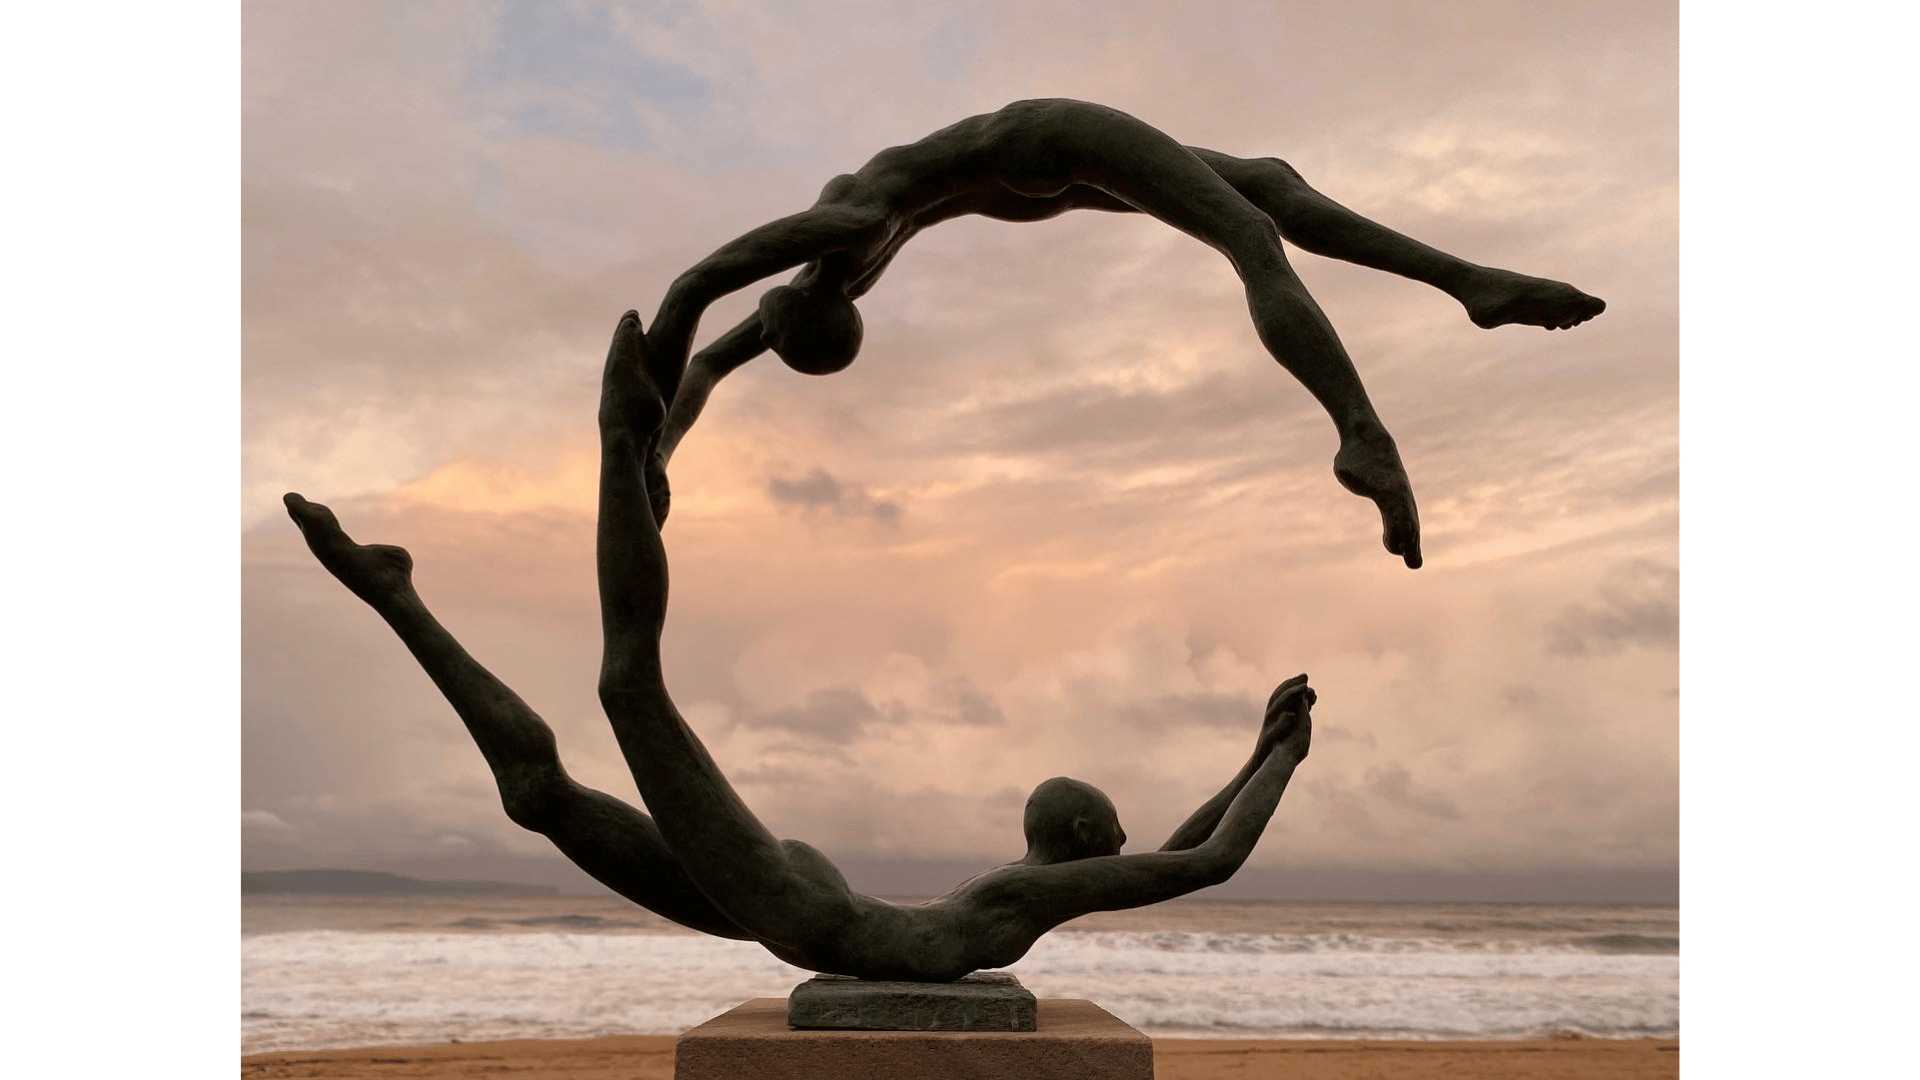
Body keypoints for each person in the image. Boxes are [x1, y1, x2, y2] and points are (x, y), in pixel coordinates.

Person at [282, 310, 1316, 981]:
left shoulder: (1021, 886)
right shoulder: (1022, 893)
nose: (1129, 839)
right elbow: (1206, 861)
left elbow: (1182, 854)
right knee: (629, 685)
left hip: (798, 908)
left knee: (539, 795)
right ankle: (617, 439)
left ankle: (395, 593)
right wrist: (1279, 762)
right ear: (1087, 833)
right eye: (1117, 825)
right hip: (797, 909)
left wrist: (1258, 755)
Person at [640, 98, 1607, 569]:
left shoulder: (841, 225)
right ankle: (1464, 288)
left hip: (1049, 141)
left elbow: (695, 293)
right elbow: (714, 361)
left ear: (804, 301)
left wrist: (650, 439)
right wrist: (658, 451)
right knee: (1259, 201)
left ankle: (1373, 417)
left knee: (1257, 210)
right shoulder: (833, 271)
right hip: (1034, 179)